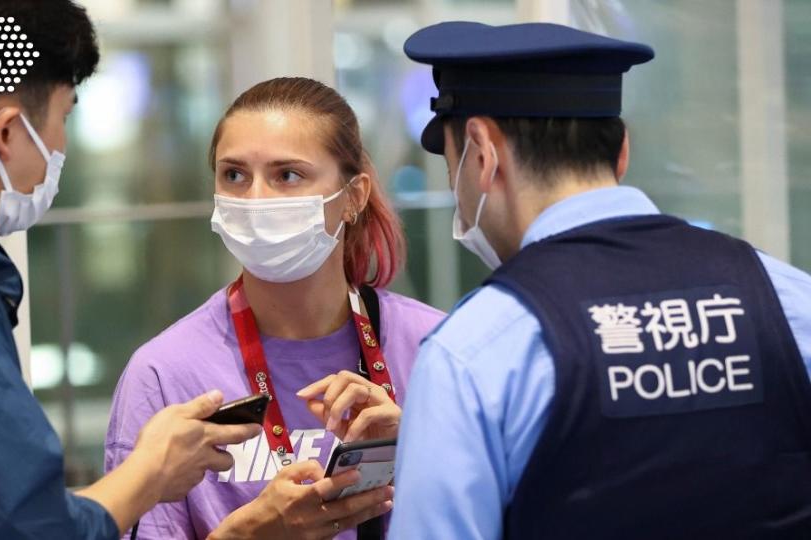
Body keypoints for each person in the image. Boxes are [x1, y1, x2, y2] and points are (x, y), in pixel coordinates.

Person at [0, 1, 260, 538]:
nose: (61, 146)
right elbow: (23, 529)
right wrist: (151, 471)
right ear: (6, 134)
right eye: (62, 118)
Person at [390, 21, 811, 540]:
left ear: (483, 151)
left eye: (453, 163)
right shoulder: (786, 297)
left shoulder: (476, 352)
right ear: (622, 150)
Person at [105, 77, 445, 539]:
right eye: (234, 175)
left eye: (287, 175)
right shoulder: (165, 373)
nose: (256, 200)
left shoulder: (436, 351)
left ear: (354, 196)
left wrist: (427, 456)